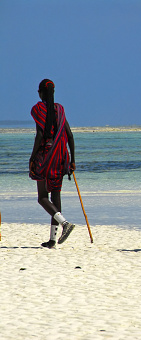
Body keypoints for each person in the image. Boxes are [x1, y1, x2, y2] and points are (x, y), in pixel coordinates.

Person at [30, 79, 76, 249]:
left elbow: (40, 135)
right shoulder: (60, 110)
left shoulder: (38, 109)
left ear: (41, 92)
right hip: (60, 157)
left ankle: (65, 224)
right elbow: (70, 135)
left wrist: (32, 157)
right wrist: (72, 160)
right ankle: (52, 241)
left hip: (45, 156)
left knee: (42, 197)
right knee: (55, 197)